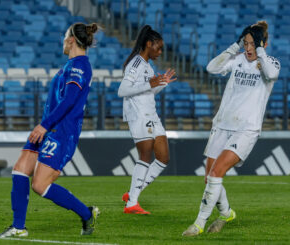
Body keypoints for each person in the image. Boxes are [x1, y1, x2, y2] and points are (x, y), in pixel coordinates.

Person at [0, 22, 100, 237]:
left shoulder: (80, 65)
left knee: (40, 185)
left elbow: (70, 100)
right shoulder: (69, 65)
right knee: (20, 169)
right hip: (48, 127)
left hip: (61, 131)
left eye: (65, 36)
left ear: (71, 40)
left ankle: (86, 213)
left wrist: (45, 125)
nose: (63, 40)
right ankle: (18, 227)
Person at [182, 20, 280, 236]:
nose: (248, 48)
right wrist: (234, 48)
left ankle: (198, 223)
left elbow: (272, 75)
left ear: (262, 44)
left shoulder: (270, 63)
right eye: (245, 43)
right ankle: (226, 213)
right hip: (223, 124)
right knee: (209, 178)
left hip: (246, 129)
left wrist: (260, 50)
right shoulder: (237, 59)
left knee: (217, 172)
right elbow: (212, 67)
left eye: (252, 44)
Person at [118, 25, 176, 214]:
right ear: (149, 44)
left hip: (151, 115)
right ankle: (131, 204)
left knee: (163, 158)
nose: (159, 52)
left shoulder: (147, 66)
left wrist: (161, 84)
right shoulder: (135, 64)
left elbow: (147, 90)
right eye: (158, 48)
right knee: (145, 156)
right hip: (139, 116)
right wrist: (148, 83)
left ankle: (132, 194)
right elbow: (123, 90)